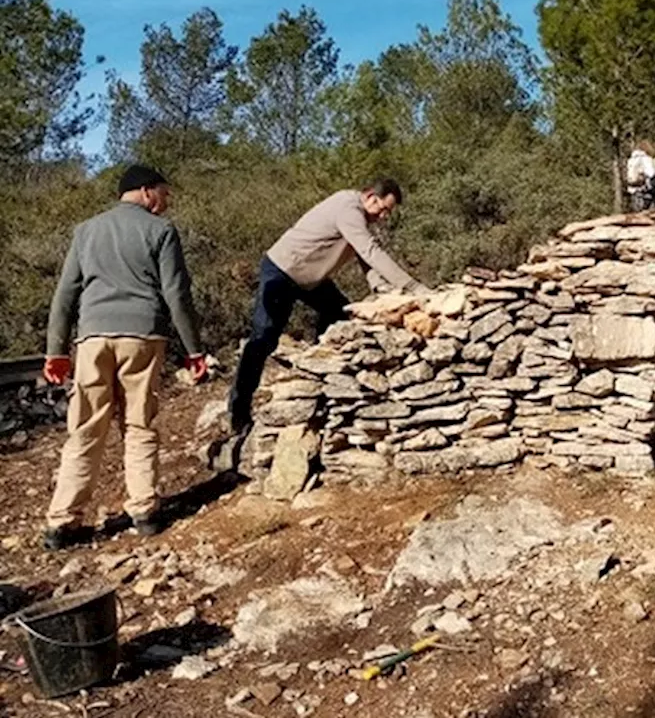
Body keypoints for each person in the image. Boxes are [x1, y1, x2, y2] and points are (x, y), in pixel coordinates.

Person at [42, 164, 208, 550]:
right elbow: (176, 294)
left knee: (85, 428)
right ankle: (144, 511)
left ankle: (61, 522)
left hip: (93, 339)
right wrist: (194, 349)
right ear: (147, 191)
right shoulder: (161, 231)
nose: (166, 202)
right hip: (142, 336)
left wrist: (56, 350)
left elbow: (66, 293)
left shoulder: (86, 231)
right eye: (164, 194)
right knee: (138, 423)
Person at [226, 179, 426, 434]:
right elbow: (369, 251)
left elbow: (363, 258)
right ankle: (238, 411)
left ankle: (322, 378)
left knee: (340, 315)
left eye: (389, 212)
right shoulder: (348, 208)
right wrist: (413, 288)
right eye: (383, 209)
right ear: (370, 197)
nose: (384, 216)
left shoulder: (359, 218)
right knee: (263, 338)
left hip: (310, 279)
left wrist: (381, 289)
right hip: (281, 271)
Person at [625, 141, 655, 211]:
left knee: (637, 213)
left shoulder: (631, 159)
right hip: (644, 189)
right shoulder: (646, 159)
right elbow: (651, 173)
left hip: (633, 188)